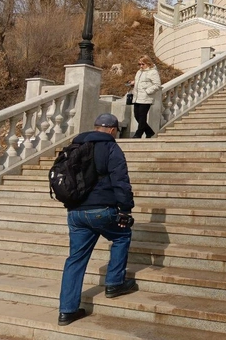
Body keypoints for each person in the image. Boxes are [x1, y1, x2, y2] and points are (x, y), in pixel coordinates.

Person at [58, 113, 136, 326]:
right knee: (121, 236)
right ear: (112, 129)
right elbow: (121, 181)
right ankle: (114, 284)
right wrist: (125, 210)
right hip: (102, 210)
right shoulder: (111, 148)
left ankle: (66, 311)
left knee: (75, 259)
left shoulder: (75, 146)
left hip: (75, 213)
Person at [128, 55, 162, 138]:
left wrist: (147, 91)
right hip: (137, 97)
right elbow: (140, 82)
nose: (141, 66)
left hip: (146, 98)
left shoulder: (153, 72)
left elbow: (157, 85)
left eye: (143, 64)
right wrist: (133, 83)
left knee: (142, 117)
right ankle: (149, 132)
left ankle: (138, 134)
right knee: (137, 116)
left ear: (148, 63)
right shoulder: (139, 72)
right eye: (139, 64)